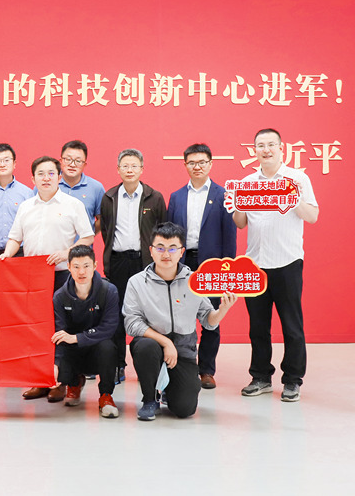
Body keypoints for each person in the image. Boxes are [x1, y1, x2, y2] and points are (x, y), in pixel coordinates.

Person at [232, 128, 319, 402]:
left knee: (292, 326)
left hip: (287, 262)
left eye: (271, 144)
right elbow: (240, 223)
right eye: (260, 145)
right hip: (255, 264)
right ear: (254, 150)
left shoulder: (298, 178)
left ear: (282, 148)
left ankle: (292, 380)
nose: (266, 149)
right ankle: (260, 377)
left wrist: (292, 198)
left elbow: (312, 216)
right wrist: (239, 203)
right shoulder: (248, 181)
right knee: (258, 327)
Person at [0, 155, 94, 402]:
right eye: (40, 174)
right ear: (32, 179)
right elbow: (15, 238)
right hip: (32, 277)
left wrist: (67, 252)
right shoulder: (25, 207)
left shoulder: (73, 205)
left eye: (51, 173)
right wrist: (7, 254)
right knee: (37, 329)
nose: (46, 178)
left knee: (63, 328)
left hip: (63, 275)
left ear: (59, 177)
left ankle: (64, 381)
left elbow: (87, 237)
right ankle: (41, 380)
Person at [123, 222, 237, 421]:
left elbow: (208, 321)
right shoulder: (136, 282)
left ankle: (170, 390)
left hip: (183, 351)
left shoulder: (194, 280)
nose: (166, 254)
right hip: (152, 346)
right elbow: (131, 323)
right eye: (160, 248)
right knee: (146, 347)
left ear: (182, 251)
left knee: (185, 409)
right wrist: (165, 342)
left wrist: (222, 310)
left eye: (172, 248)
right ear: (151, 250)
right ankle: (150, 399)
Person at [167, 143, 236, 389]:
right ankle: (180, 367)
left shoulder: (223, 195)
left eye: (202, 162)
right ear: (185, 164)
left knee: (212, 316)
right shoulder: (176, 197)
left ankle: (206, 370)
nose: (197, 166)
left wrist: (228, 271)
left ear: (210, 164)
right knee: (178, 316)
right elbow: (169, 234)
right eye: (192, 162)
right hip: (182, 263)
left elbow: (229, 236)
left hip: (213, 265)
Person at [100, 148, 167, 384]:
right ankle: (118, 364)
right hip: (118, 262)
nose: (129, 170)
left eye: (134, 166)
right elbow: (106, 230)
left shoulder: (154, 197)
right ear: (118, 169)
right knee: (116, 315)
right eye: (125, 166)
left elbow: (162, 230)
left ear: (141, 169)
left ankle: (148, 364)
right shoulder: (109, 197)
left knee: (149, 314)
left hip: (145, 262)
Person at [51, 245, 120, 417]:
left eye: (86, 266)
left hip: (98, 347)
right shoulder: (59, 296)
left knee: (108, 347)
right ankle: (73, 383)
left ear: (95, 265)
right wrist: (54, 366)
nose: (81, 272)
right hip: (73, 349)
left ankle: (106, 395)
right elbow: (59, 332)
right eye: (76, 267)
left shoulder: (109, 291)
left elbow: (109, 327)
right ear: (68, 267)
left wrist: (77, 338)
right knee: (61, 344)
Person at [59, 140, 105, 234]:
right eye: (68, 159)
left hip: (83, 243)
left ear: (84, 165)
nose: (72, 164)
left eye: (78, 161)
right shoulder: (48, 183)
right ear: (60, 161)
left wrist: (88, 234)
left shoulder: (96, 188)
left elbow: (103, 219)